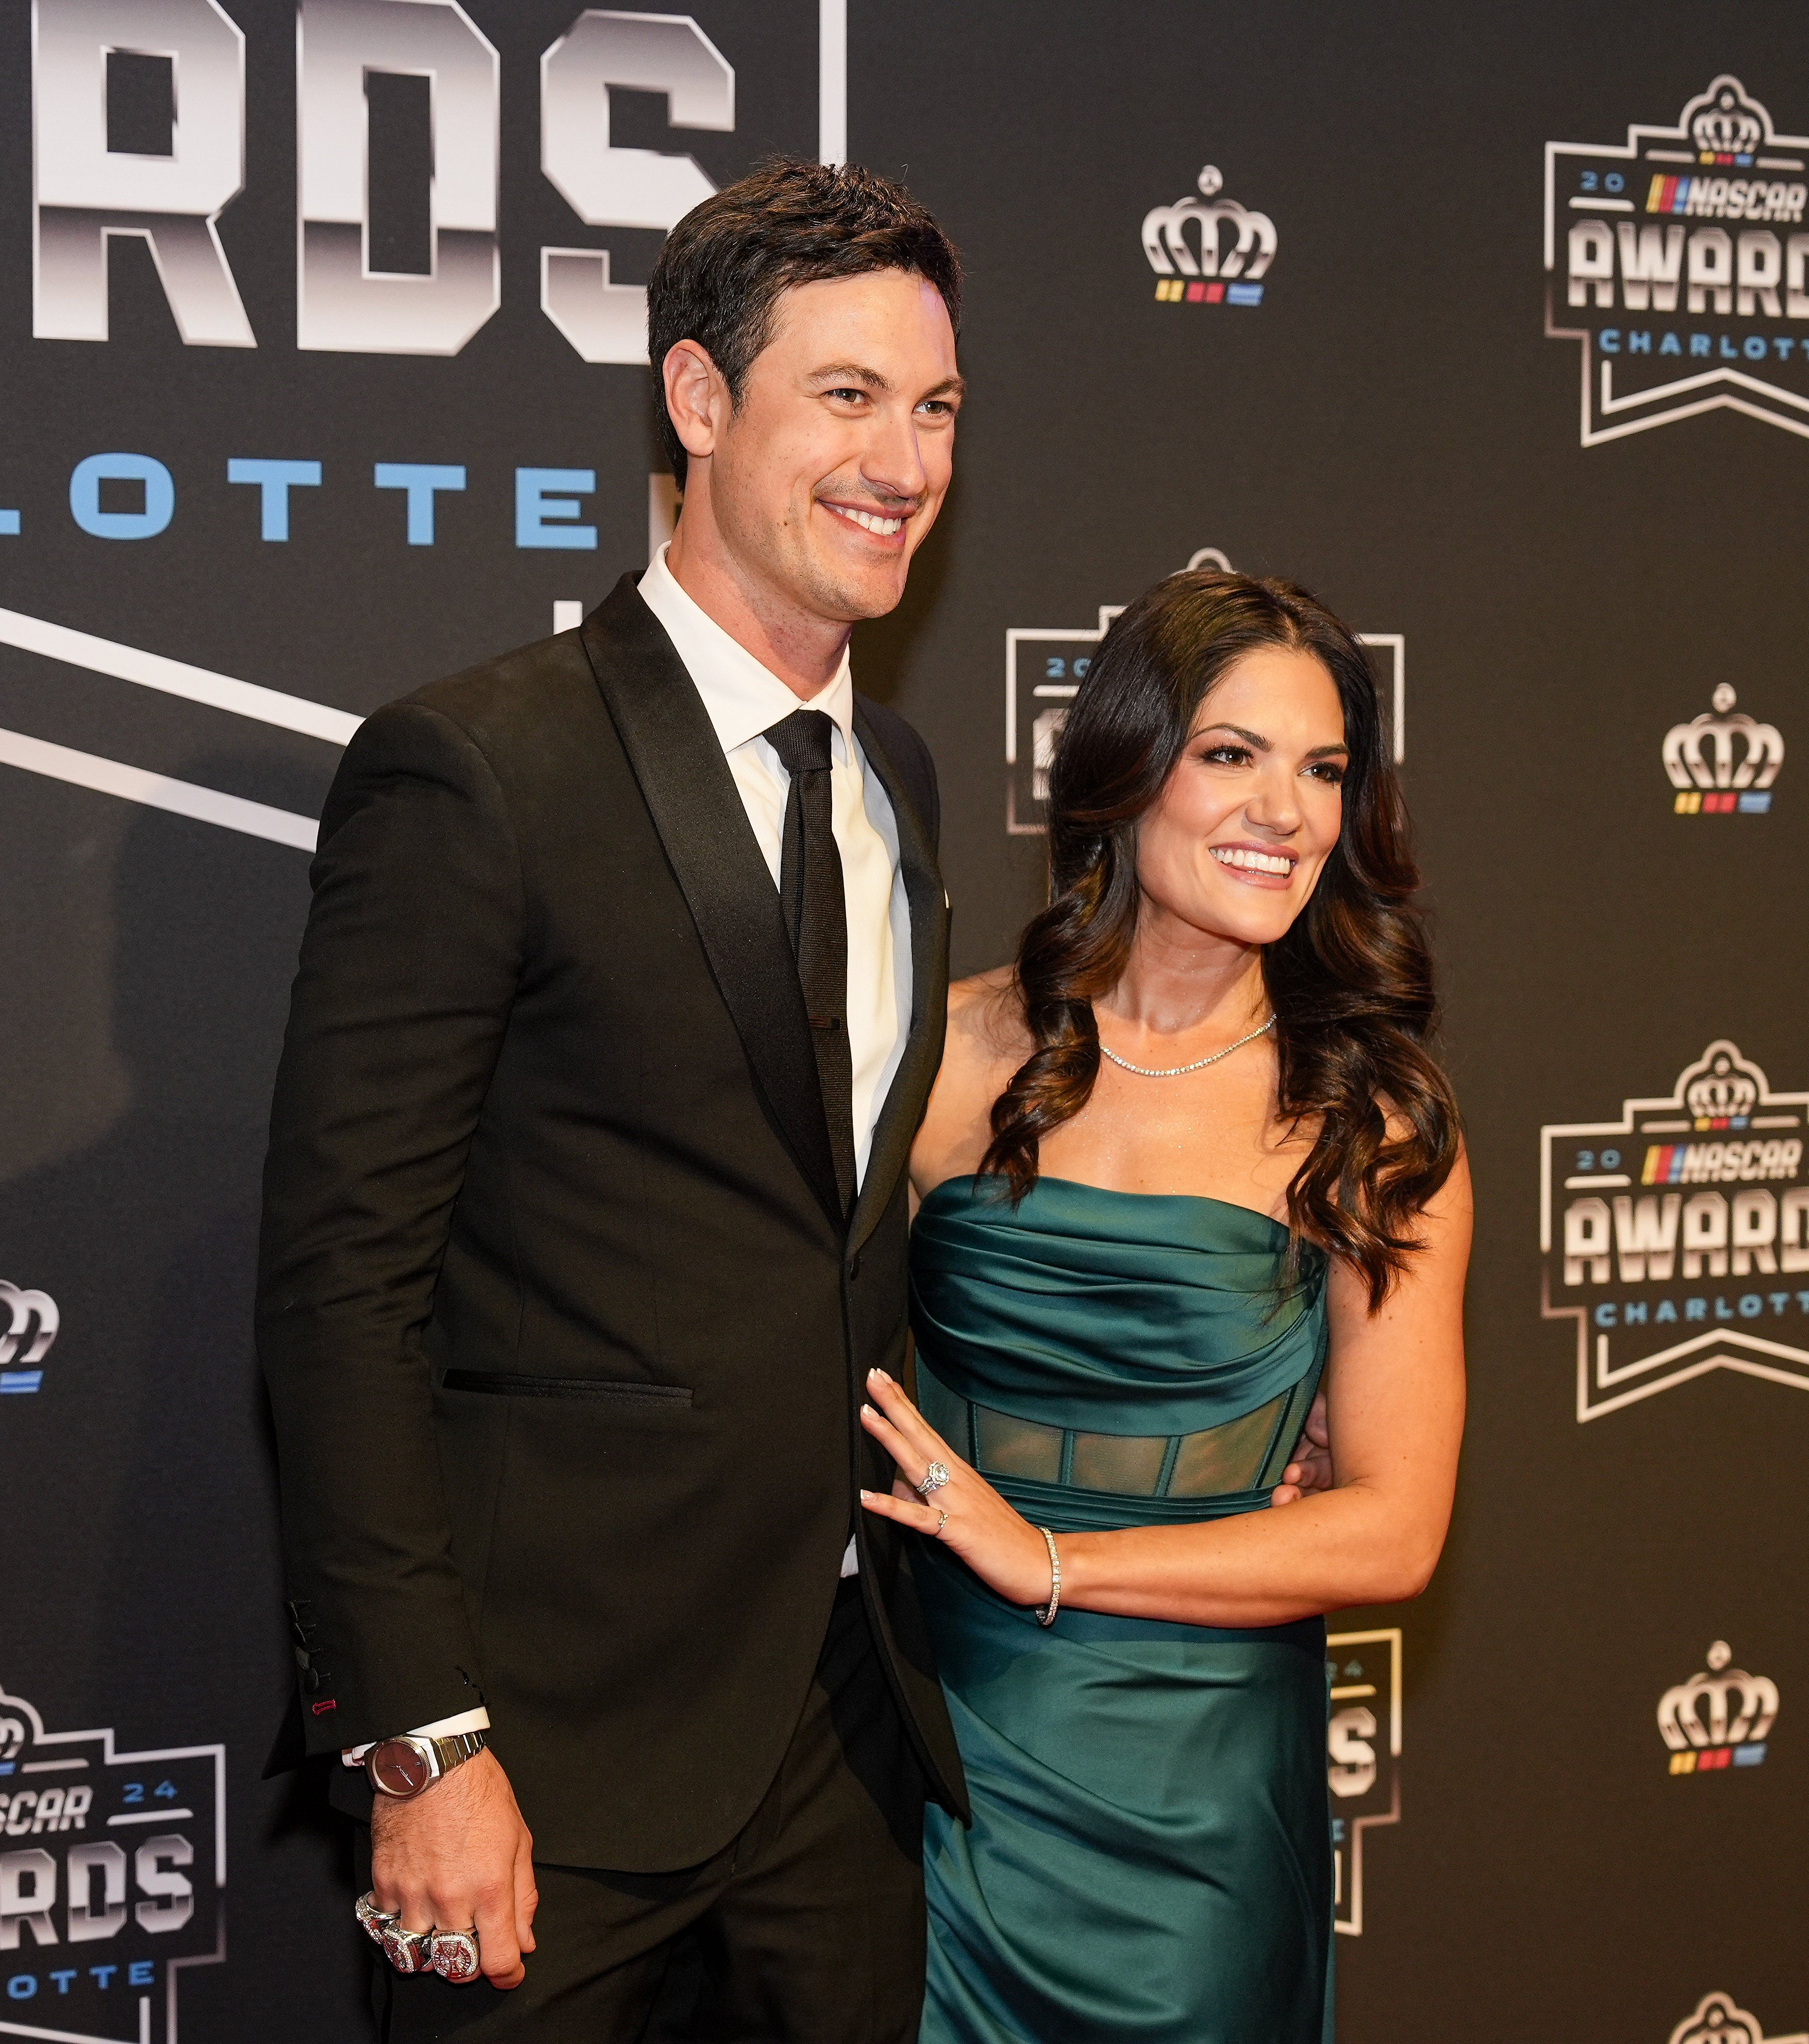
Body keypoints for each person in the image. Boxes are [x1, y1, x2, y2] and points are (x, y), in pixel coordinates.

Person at [255, 157, 972, 2041]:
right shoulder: (477, 769)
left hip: (845, 1729)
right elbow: (343, 1293)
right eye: (846, 396)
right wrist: (424, 1752)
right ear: (698, 400)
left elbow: (838, 1212)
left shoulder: (895, 770)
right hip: (547, 1761)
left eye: (936, 406)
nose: (903, 458)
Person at [856, 568, 1470, 2043]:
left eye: (1324, 770)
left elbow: (1394, 1527)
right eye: (1232, 755)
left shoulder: (1369, 1117)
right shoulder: (945, 1047)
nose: (1287, 811)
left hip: (1195, 1791)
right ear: (1126, 771)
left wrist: (1054, 1559)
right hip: (931, 1756)